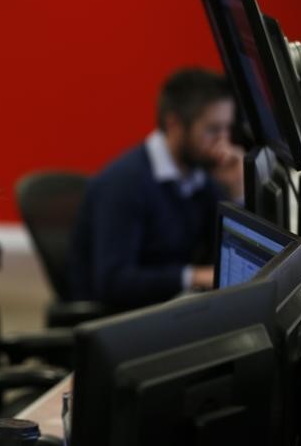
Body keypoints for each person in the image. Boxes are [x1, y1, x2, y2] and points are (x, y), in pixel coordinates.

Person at [68, 68, 243, 310]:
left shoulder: (201, 176)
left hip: (167, 307)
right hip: (117, 320)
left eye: (227, 129)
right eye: (213, 130)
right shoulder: (124, 184)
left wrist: (236, 193)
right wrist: (192, 276)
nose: (223, 143)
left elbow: (229, 255)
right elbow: (113, 282)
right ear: (174, 124)